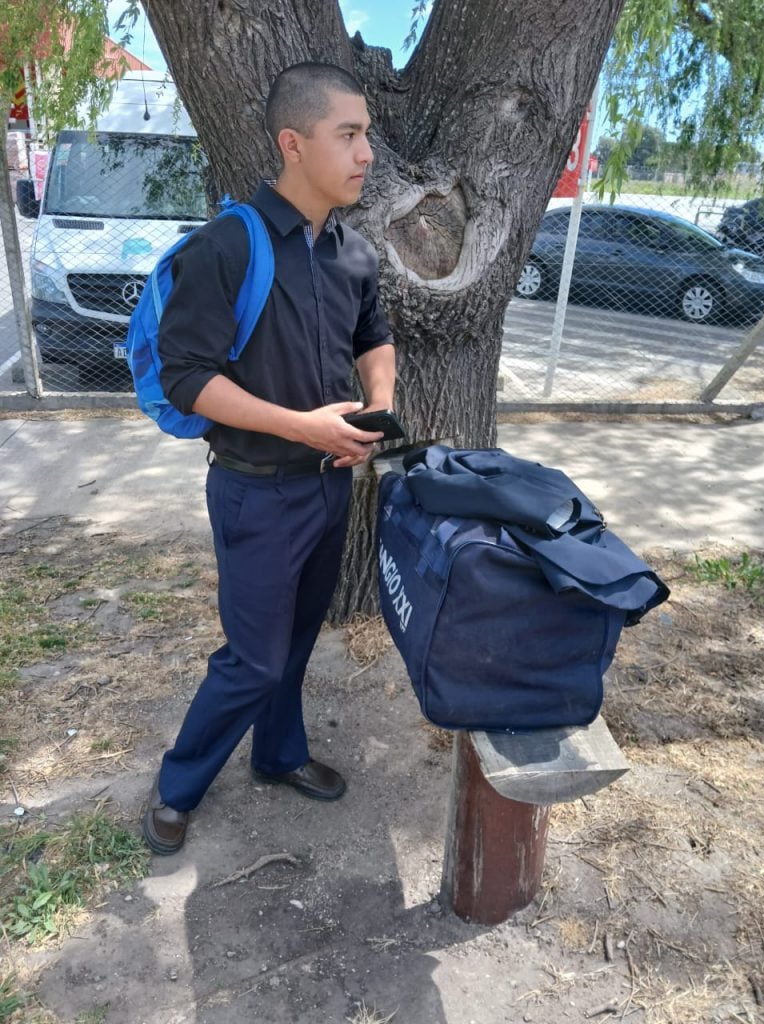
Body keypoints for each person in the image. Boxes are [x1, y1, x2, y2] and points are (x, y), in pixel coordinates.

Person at [142, 62, 396, 855]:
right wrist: (301, 427)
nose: (366, 154)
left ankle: (279, 755)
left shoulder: (352, 252)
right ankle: (177, 785)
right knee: (252, 659)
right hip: (255, 493)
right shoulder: (226, 247)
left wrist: (376, 406)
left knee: (294, 642)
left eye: (366, 136)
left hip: (329, 486)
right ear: (294, 142)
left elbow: (373, 335)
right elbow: (188, 380)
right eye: (348, 135)